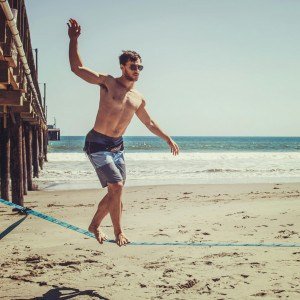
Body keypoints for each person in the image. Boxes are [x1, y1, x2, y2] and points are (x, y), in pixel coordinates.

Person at [67, 18, 179, 247]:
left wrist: (167, 138)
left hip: (117, 145)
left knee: (116, 191)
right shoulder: (108, 83)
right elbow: (77, 68)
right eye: (133, 66)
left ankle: (94, 225)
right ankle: (119, 232)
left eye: (140, 67)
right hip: (97, 142)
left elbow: (149, 122)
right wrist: (74, 40)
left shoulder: (138, 98)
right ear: (122, 66)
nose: (137, 70)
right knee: (116, 187)